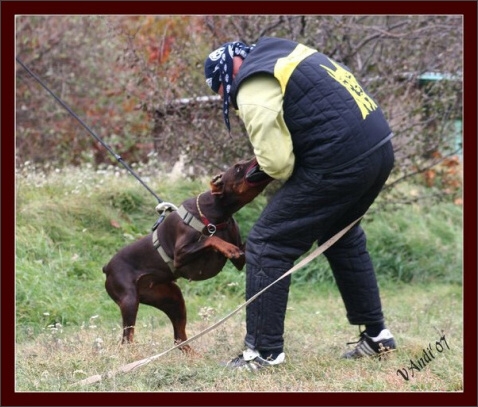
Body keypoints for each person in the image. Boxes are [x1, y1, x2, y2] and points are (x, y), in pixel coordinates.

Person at [203, 37, 397, 371]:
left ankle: (264, 353)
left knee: (267, 242)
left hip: (343, 159)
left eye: (221, 92)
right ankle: (377, 338)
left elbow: (278, 164)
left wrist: (249, 179)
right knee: (343, 236)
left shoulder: (251, 84)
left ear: (225, 77)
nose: (226, 100)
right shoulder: (283, 52)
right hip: (379, 149)